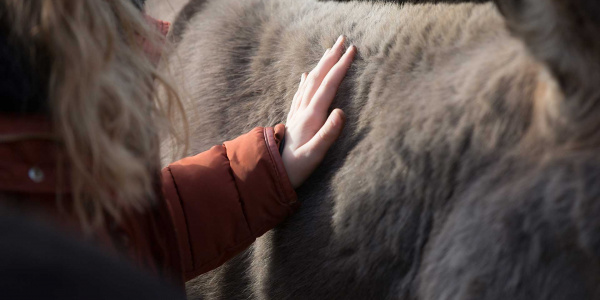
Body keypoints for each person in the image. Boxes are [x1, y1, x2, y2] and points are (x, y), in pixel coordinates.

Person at [0, 0, 356, 291]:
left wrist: (270, 166)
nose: (156, 46)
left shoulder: (62, 181)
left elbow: (150, 228)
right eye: (124, 34)